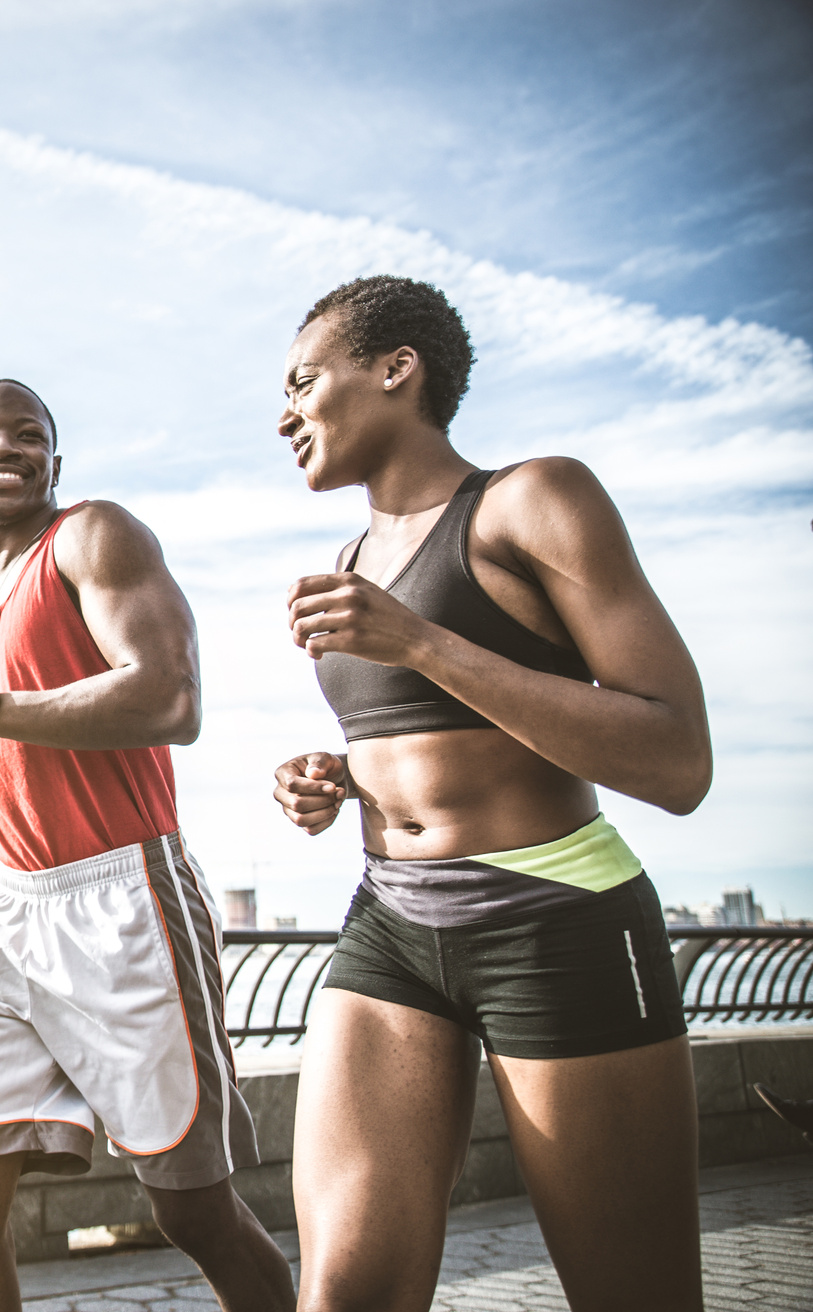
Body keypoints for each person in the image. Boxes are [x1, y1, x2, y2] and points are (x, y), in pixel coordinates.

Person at [271, 276, 711, 1312]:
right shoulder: (349, 561)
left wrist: (418, 638)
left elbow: (677, 757)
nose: (283, 413)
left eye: (302, 381)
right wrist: (335, 779)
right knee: (344, 1294)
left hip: (556, 917)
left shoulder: (534, 498)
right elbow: (434, 736)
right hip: (390, 920)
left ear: (396, 368)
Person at [0, 380, 294, 1312]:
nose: (5, 448)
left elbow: (166, 700)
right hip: (8, 910)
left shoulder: (94, 537)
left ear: (54, 465)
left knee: (193, 1214)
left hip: (125, 894)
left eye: (29, 436)